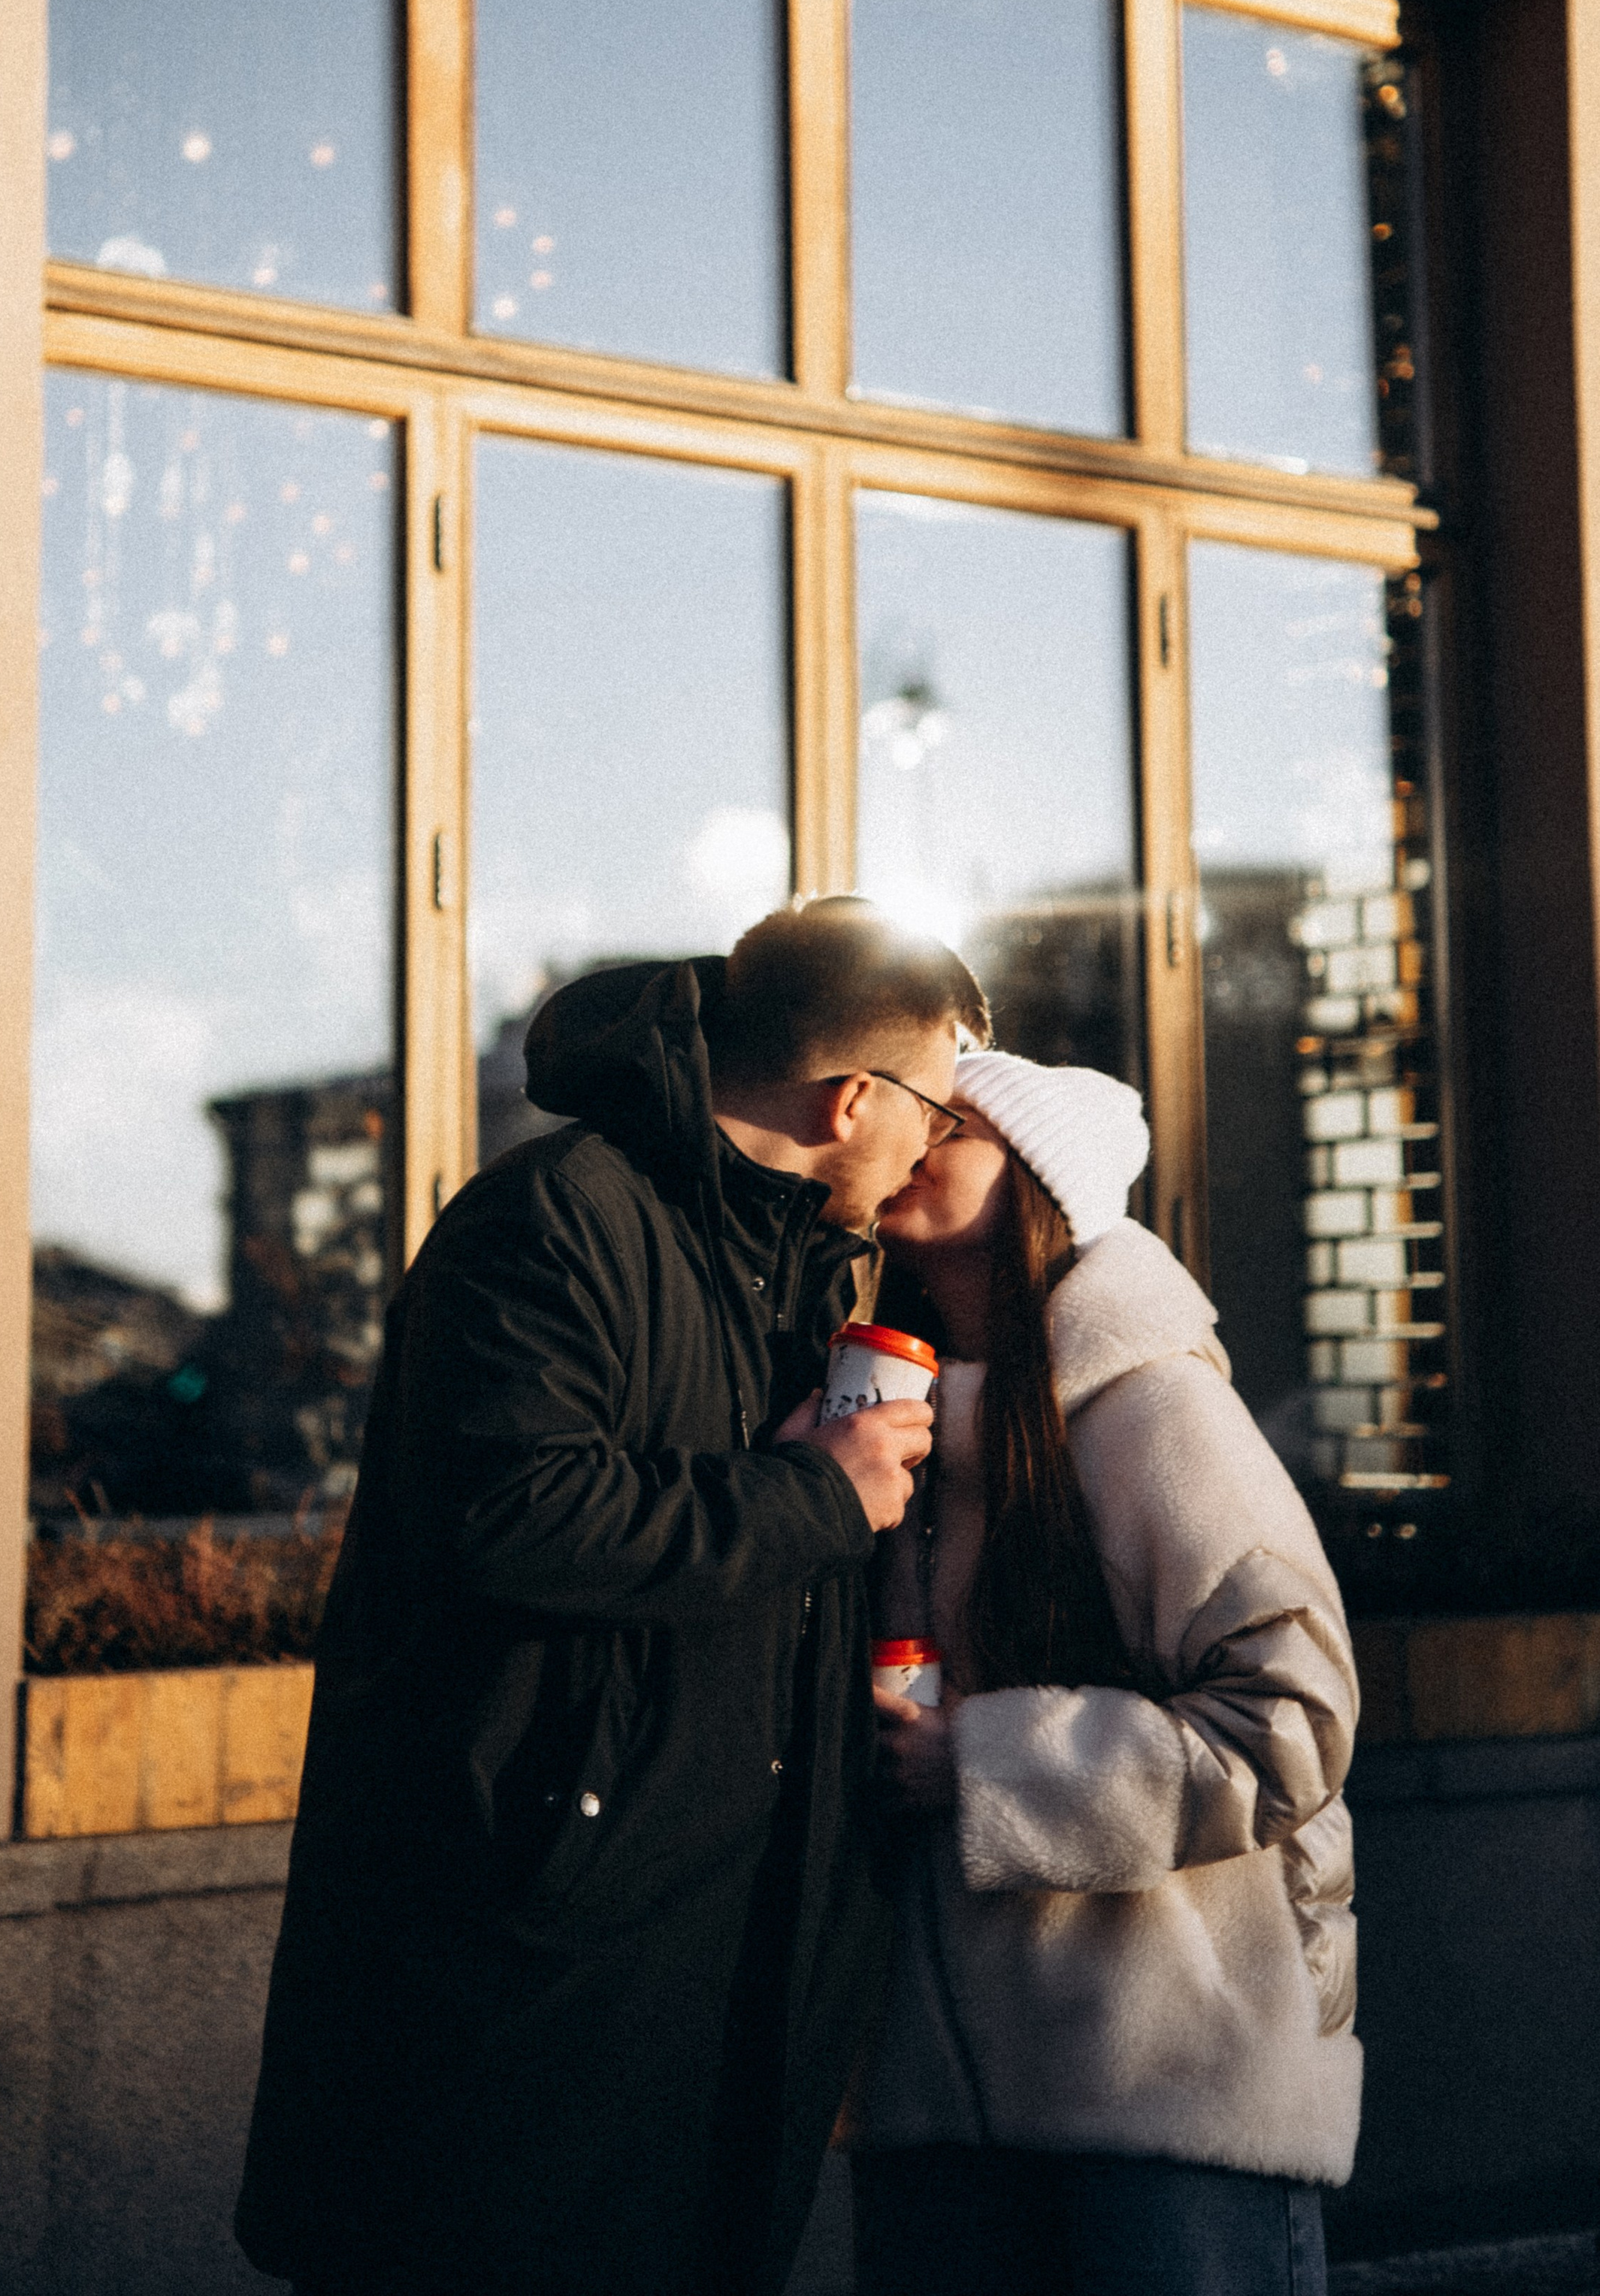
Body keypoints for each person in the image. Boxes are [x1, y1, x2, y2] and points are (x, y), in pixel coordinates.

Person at [237, 897, 991, 2296]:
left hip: (700, 1988)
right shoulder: (552, 1218)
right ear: (849, 1101)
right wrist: (815, 1497)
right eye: (933, 1111)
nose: (931, 1148)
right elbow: (510, 1514)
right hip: (530, 1990)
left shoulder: (807, 1268)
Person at [849, 1051, 1361, 2296]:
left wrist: (981, 1761)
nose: (914, 1135)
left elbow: (1293, 1720)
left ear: (1037, 1181)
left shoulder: (1156, 1410)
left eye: (952, 1123)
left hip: (1168, 2104)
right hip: (939, 2117)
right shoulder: (878, 1418)